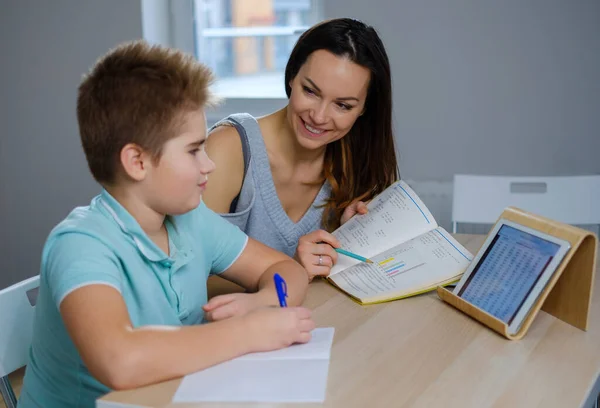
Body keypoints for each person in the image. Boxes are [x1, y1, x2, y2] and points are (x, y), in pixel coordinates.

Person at [18, 40, 313, 408]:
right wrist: (247, 332)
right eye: (194, 150)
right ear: (137, 162)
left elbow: (284, 268)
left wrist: (265, 301)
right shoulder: (80, 244)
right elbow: (119, 361)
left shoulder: (191, 221)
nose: (210, 164)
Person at [203, 18, 399, 281]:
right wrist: (287, 272)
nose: (318, 116)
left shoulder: (354, 165)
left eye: (343, 105)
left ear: (364, 109)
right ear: (292, 76)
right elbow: (190, 283)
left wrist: (351, 237)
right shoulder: (227, 149)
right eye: (310, 91)